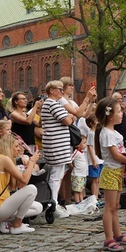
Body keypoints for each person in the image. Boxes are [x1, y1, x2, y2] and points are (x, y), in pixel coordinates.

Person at [94, 96, 126, 252]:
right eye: (119, 111)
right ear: (110, 116)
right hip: (111, 172)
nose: (122, 113)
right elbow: (116, 155)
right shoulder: (106, 133)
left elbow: (121, 152)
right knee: (109, 207)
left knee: (115, 206)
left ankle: (117, 234)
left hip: (117, 172)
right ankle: (108, 238)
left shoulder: (113, 133)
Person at [0, 135, 41, 234]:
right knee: (32, 189)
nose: (19, 149)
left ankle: (4, 222)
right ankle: (16, 225)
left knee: (38, 207)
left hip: (0, 206)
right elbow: (24, 181)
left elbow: (20, 186)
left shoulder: (6, 160)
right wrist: (32, 161)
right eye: (16, 146)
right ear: (8, 147)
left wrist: (28, 166)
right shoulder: (4, 159)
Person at [40, 80, 76, 219]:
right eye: (59, 89)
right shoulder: (52, 104)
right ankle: (52, 204)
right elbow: (67, 120)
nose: (62, 91)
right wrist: (70, 117)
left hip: (57, 144)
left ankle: (52, 202)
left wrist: (69, 117)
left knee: (57, 174)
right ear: (51, 90)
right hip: (56, 145)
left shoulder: (50, 104)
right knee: (56, 175)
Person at [70, 136, 88, 203]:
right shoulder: (76, 152)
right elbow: (70, 159)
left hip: (82, 174)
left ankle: (81, 201)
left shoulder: (82, 152)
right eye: (84, 143)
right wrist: (71, 166)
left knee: (81, 189)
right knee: (77, 190)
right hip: (77, 174)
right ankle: (77, 202)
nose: (85, 144)